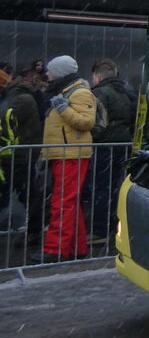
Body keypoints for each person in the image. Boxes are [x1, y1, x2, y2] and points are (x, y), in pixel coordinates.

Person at [37, 55, 95, 262]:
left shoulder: (79, 92)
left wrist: (63, 108)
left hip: (71, 153)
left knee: (63, 202)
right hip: (65, 153)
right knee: (70, 202)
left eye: (51, 70)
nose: (47, 74)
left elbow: (87, 122)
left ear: (61, 72)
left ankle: (55, 250)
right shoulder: (64, 91)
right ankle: (76, 247)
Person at [86, 58, 136, 242]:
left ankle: (99, 230)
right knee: (118, 186)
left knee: (100, 187)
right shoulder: (128, 92)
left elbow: (96, 123)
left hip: (105, 146)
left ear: (98, 76)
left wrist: (94, 138)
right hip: (124, 144)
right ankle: (117, 225)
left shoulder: (99, 93)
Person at [0, 64, 46, 252]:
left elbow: (4, 123)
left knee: (27, 194)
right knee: (25, 194)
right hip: (14, 155)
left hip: (18, 156)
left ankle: (34, 232)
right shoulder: (15, 96)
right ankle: (34, 231)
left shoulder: (19, 99)